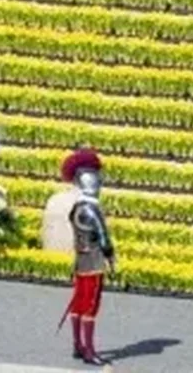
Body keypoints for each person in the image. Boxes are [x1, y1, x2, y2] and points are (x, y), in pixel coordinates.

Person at [61, 149, 113, 367]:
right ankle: (89, 350)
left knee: (79, 303)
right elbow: (103, 237)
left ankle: (77, 344)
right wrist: (110, 255)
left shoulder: (76, 208)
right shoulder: (91, 209)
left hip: (80, 259)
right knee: (90, 305)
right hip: (93, 259)